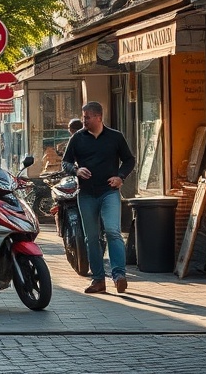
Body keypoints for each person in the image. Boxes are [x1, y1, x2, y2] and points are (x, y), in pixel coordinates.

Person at [61, 101, 135, 294]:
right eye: (83, 116)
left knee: (112, 231)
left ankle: (119, 275)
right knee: (91, 238)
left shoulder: (115, 137)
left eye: (87, 117)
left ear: (99, 117)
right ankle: (98, 280)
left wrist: (120, 177)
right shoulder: (77, 138)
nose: (83, 120)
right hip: (86, 194)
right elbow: (66, 162)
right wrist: (77, 170)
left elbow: (129, 160)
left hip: (109, 192)